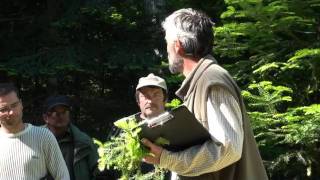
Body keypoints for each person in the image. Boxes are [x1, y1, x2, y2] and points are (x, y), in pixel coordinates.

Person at [141, 8, 269, 180]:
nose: (167, 51)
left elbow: (228, 148)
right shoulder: (200, 81)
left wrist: (168, 159)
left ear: (177, 45)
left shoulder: (211, 79)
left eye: (167, 43)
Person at [0, 83, 70, 180]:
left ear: (21, 104)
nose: (11, 112)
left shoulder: (43, 136)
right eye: (3, 109)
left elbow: (63, 176)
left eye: (14, 105)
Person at [42, 95, 99, 180]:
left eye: (64, 111)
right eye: (56, 112)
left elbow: (98, 171)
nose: (60, 115)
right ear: (45, 117)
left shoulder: (84, 142)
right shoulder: (35, 139)